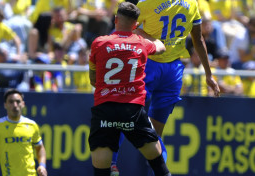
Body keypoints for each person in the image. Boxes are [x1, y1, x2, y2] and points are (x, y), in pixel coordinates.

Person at [130, 0, 221, 166]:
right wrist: (208, 74)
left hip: (148, 64)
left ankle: (112, 164)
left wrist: (151, 39)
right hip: (173, 71)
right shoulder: (192, 4)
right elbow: (198, 39)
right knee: (156, 135)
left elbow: (129, 26)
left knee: (128, 116)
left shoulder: (147, 2)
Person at [88, 2, 170, 176]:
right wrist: (147, 36)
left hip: (105, 108)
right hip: (132, 109)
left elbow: (93, 79)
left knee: (101, 171)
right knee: (159, 167)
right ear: (136, 25)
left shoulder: (99, 43)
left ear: (116, 19)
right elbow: (161, 48)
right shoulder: (142, 43)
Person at [0, 89, 47, 176]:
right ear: (5, 105)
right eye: (11, 102)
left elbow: (40, 148)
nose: (15, 105)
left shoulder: (32, 125)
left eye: (18, 101)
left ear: (23, 104)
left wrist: (42, 165)